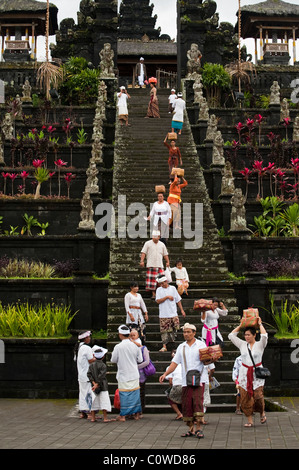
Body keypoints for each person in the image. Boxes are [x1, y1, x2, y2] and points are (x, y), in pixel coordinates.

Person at [159, 323, 208, 439]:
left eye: (188, 332)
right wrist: (165, 374)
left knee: (197, 403)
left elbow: (207, 360)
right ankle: (191, 429)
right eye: (184, 332)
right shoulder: (181, 347)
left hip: (199, 379)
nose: (186, 334)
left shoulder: (201, 345)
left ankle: (199, 429)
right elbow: (174, 363)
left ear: (194, 333)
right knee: (187, 404)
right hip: (186, 380)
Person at [228, 317, 268, 427]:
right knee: (245, 397)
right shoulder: (242, 344)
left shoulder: (260, 344)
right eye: (245, 335)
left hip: (257, 374)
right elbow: (231, 336)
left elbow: (264, 336)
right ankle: (249, 420)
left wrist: (260, 324)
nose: (246, 337)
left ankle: (262, 412)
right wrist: (240, 325)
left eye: (249, 335)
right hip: (244, 373)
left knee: (258, 396)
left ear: (254, 335)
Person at [111, 325, 143, 421]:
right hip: (133, 373)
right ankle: (136, 414)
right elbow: (140, 359)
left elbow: (113, 360)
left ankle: (123, 415)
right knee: (135, 394)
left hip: (123, 373)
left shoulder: (118, 347)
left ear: (120, 335)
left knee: (124, 394)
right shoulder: (135, 346)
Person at [155, 274, 186, 352]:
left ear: (166, 281)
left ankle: (173, 346)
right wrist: (166, 297)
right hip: (163, 313)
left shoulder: (172, 288)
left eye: (163, 283)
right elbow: (158, 301)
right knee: (164, 330)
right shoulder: (159, 290)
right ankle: (164, 345)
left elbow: (178, 300)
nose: (162, 285)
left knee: (174, 329)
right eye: (161, 283)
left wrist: (182, 310)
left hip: (173, 312)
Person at [87, 347, 115, 423]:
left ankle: (93, 417)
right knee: (104, 401)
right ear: (103, 356)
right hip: (102, 386)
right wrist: (97, 384)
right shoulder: (103, 365)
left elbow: (89, 374)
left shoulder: (91, 365)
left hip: (93, 386)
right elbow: (101, 376)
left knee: (93, 401)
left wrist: (93, 383)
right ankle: (105, 418)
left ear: (94, 356)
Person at [140, 230, 170, 299]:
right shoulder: (147, 243)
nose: (155, 238)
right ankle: (154, 294)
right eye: (154, 237)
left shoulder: (162, 244)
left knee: (162, 280)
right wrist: (142, 261)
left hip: (160, 265)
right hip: (151, 264)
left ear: (159, 237)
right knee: (152, 281)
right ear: (152, 237)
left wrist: (167, 261)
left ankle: (161, 293)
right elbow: (143, 252)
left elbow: (165, 254)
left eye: (157, 237)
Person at [74, 330, 96, 419]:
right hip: (87, 375)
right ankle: (90, 412)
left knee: (82, 393)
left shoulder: (78, 347)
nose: (89, 339)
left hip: (81, 374)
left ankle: (83, 412)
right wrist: (96, 357)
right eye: (88, 337)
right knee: (89, 393)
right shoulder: (86, 348)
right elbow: (90, 360)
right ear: (85, 338)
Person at [129, 329, 150, 416]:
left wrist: (135, 367)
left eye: (134, 335)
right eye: (131, 335)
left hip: (140, 374)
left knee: (141, 392)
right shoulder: (129, 347)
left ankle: (140, 410)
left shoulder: (143, 348)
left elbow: (146, 361)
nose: (133, 337)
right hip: (131, 375)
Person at [165, 349, 183, 420]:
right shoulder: (184, 366)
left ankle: (179, 413)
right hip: (185, 385)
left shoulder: (170, 367)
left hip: (176, 385)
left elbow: (170, 381)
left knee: (171, 399)